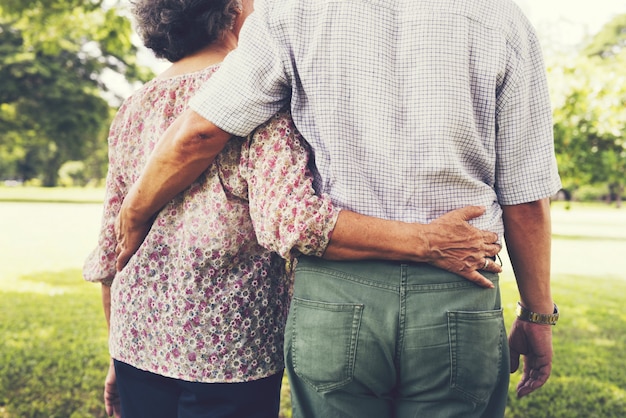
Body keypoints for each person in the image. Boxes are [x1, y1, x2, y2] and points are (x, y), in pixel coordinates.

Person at [114, 0, 562, 417]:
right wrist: (537, 313)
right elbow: (525, 198)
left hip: (335, 300)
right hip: (458, 293)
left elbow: (198, 134)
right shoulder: (502, 19)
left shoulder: (291, 13)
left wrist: (134, 212)